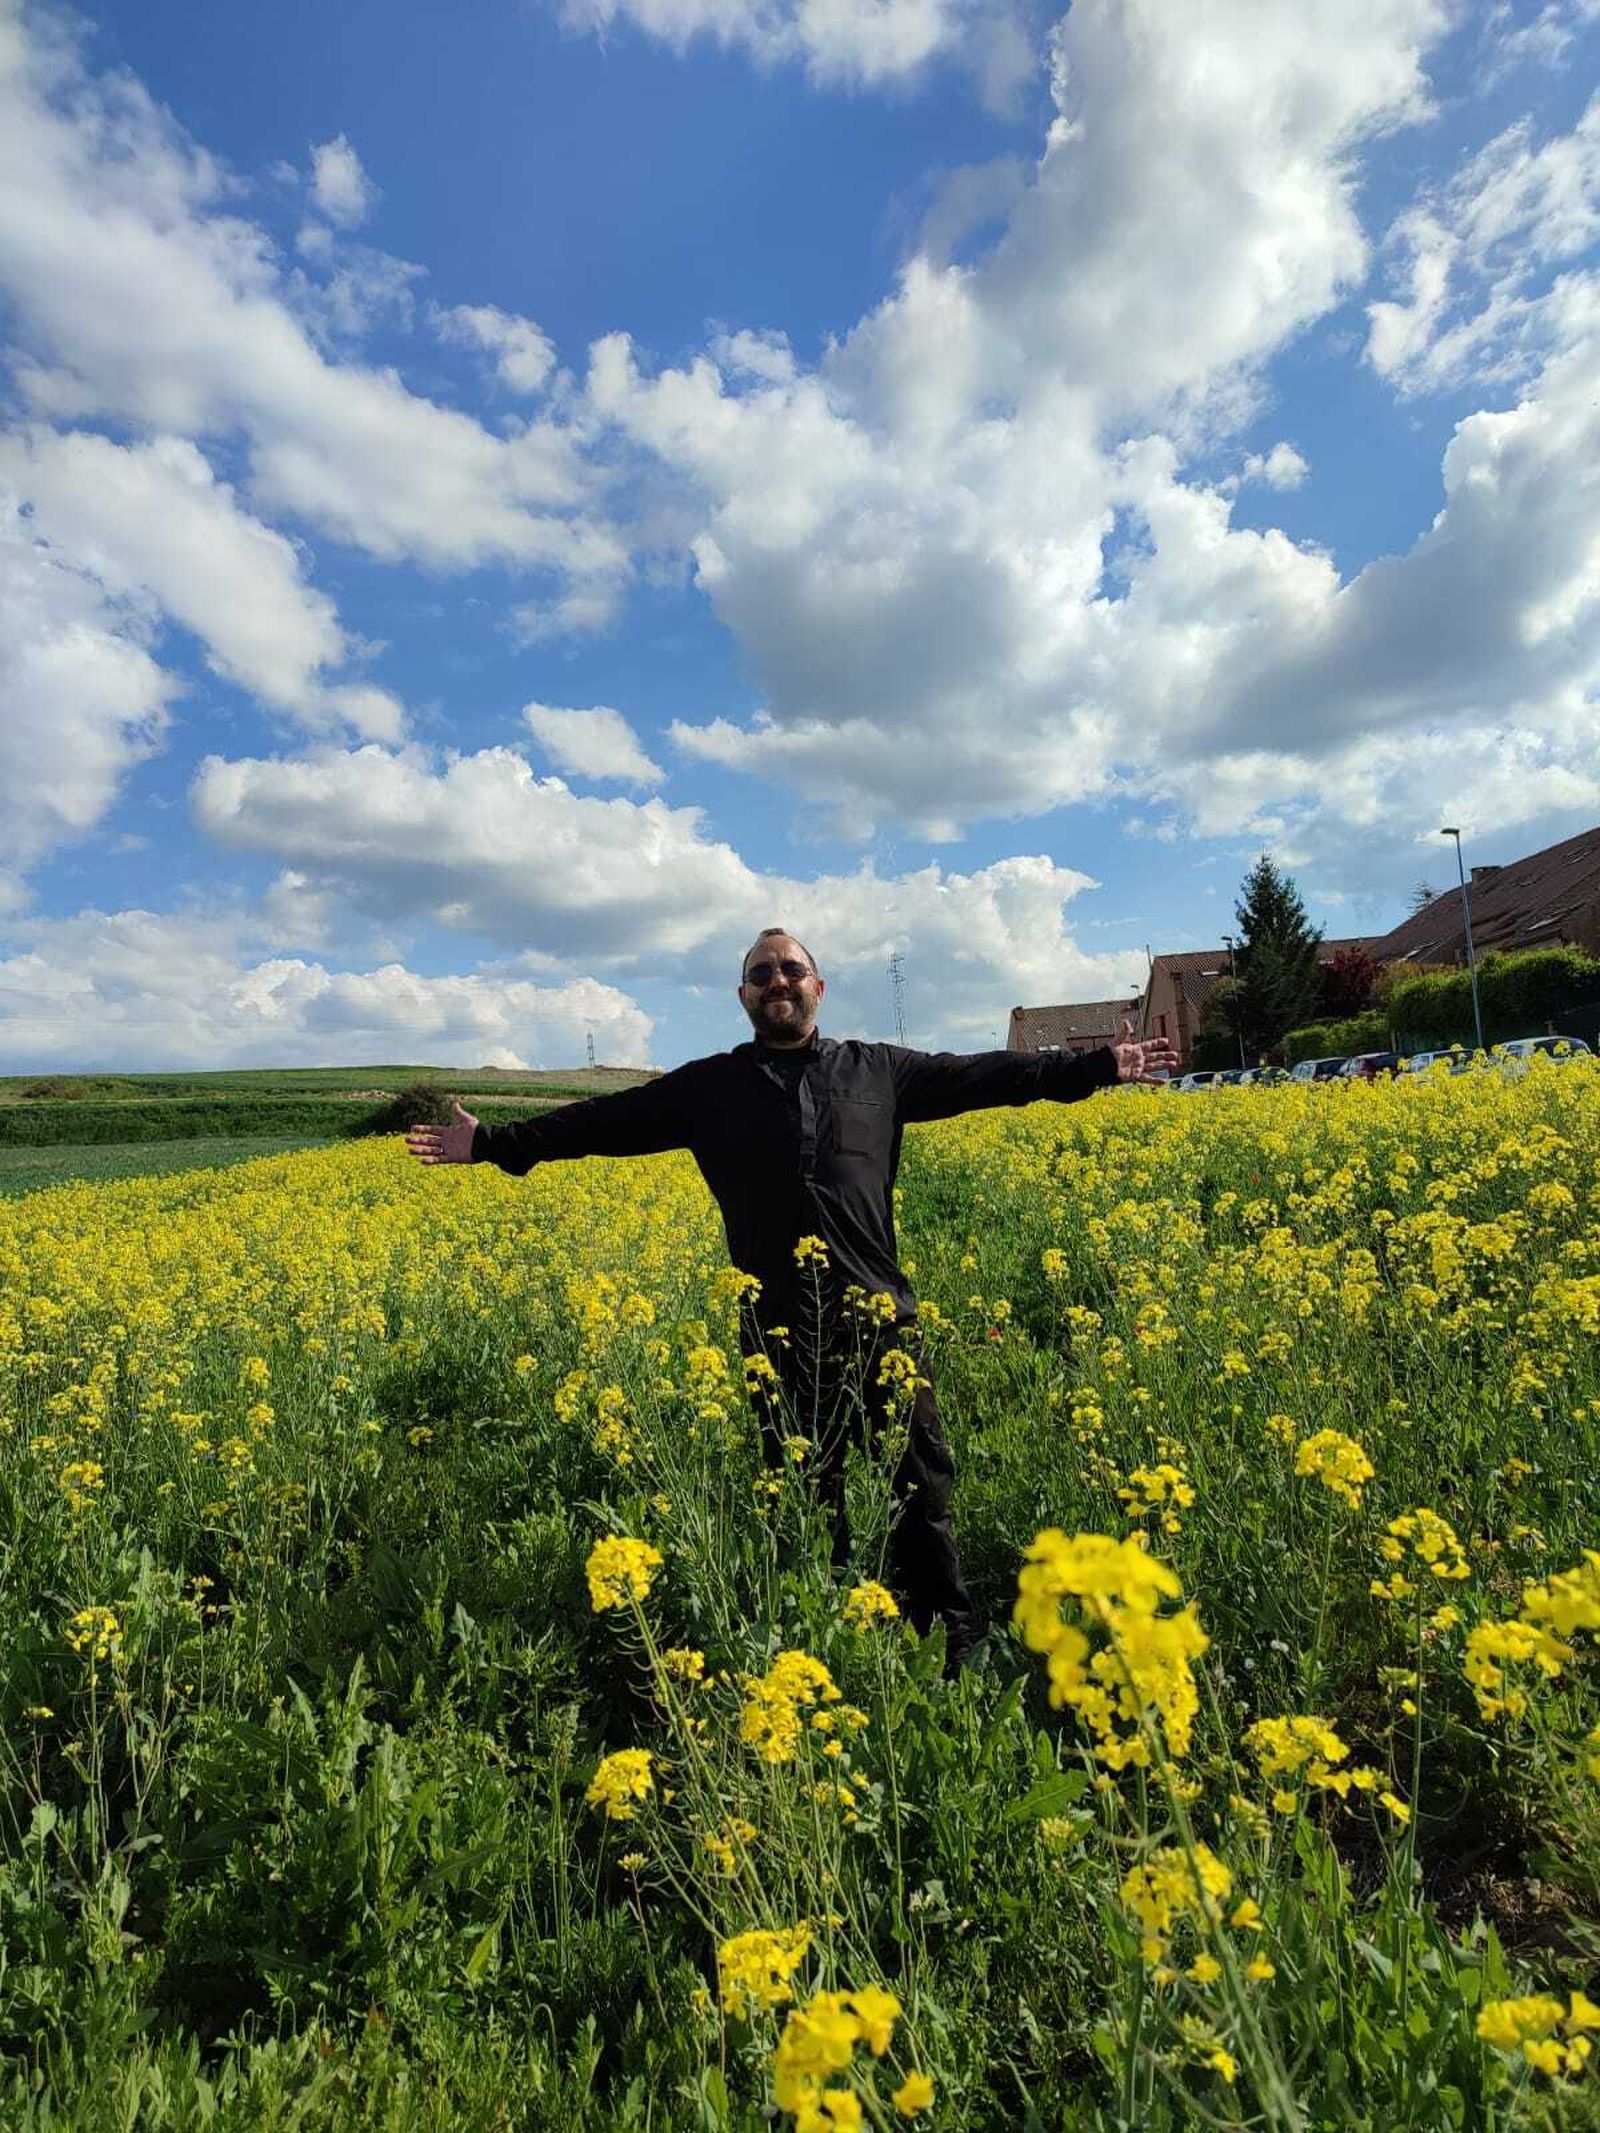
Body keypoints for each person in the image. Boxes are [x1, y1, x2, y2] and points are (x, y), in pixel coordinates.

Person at [407, 930, 1177, 1668]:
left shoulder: (879, 1069)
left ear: (819, 986)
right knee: (810, 1497)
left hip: (883, 1320)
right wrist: (494, 1143)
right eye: (762, 972)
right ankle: (834, 1641)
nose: (778, 980)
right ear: (743, 994)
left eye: (791, 969)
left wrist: (1099, 1067)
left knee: (922, 1484)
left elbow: (987, 1076)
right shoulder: (708, 1087)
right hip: (777, 1329)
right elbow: (603, 1121)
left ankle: (951, 1641)